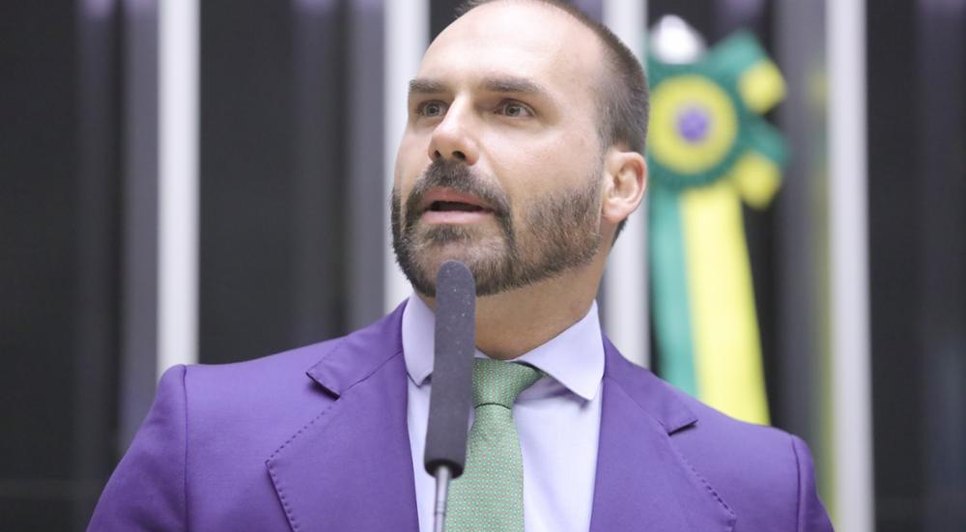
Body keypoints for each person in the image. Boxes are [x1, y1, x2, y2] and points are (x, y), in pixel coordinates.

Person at [89, 1, 833, 530]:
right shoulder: (209, 440)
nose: (446, 137)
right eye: (428, 108)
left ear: (620, 184)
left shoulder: (764, 489)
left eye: (510, 108)